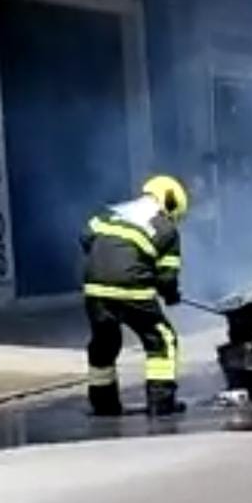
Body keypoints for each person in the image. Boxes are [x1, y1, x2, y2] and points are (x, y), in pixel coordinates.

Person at [80, 175, 189, 417]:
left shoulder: (110, 214)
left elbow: (85, 236)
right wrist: (170, 294)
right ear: (169, 203)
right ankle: (161, 403)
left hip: (95, 288)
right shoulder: (166, 228)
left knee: (104, 343)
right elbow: (167, 278)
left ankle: (103, 404)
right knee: (161, 339)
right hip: (132, 288)